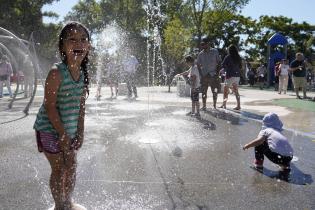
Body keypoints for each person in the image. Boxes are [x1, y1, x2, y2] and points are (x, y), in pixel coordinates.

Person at [33, 21, 90, 210]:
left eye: (83, 40)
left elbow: (81, 107)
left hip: (69, 130)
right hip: (49, 129)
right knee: (59, 169)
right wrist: (62, 134)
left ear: (88, 46)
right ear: (63, 46)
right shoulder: (57, 73)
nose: (79, 44)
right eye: (72, 40)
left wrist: (79, 132)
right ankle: (59, 206)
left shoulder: (81, 74)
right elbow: (49, 107)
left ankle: (68, 201)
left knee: (71, 166)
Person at [197, 38, 221, 110]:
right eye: (202, 44)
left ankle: (214, 106)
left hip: (213, 75)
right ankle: (204, 106)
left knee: (215, 91)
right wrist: (201, 75)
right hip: (204, 75)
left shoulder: (215, 51)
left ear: (208, 43)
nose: (202, 46)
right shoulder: (200, 54)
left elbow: (219, 62)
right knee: (204, 92)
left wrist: (217, 74)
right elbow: (198, 65)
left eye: (204, 44)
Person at [219, 45, 242, 110]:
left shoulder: (228, 57)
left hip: (230, 76)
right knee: (236, 91)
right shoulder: (238, 57)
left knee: (225, 91)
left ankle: (224, 104)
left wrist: (224, 69)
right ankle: (238, 105)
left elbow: (223, 65)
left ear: (230, 50)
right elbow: (240, 67)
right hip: (237, 76)